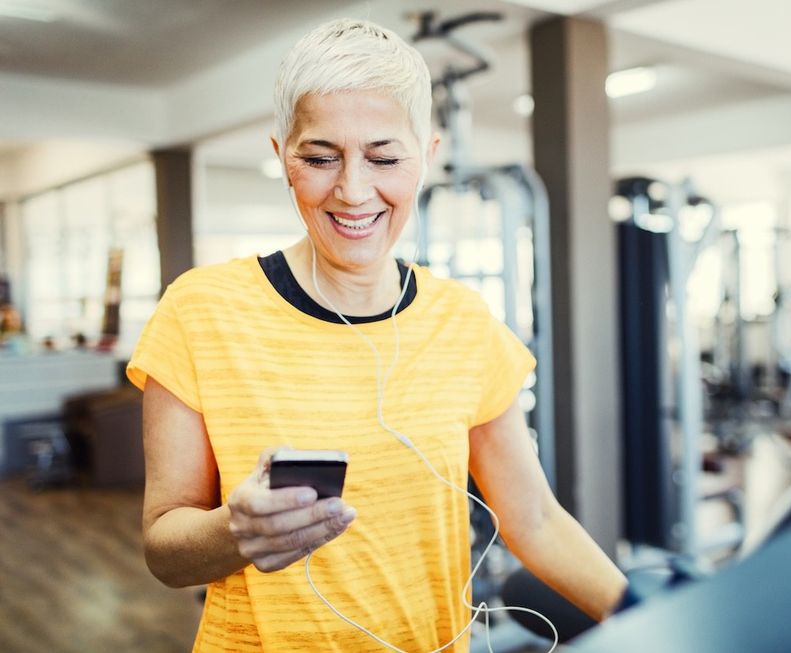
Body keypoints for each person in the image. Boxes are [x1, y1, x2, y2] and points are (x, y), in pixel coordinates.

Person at [128, 17, 628, 652]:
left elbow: (533, 518)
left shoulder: (464, 321)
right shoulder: (198, 310)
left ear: (429, 155)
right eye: (319, 157)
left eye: (385, 157)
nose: (353, 191)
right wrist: (235, 533)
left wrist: (654, 615)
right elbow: (164, 552)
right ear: (282, 154)